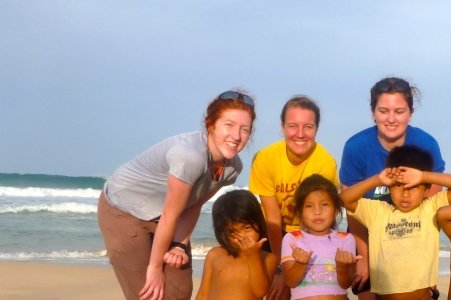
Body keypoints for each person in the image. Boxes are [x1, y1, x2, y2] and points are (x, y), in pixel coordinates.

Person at [97, 90, 257, 300]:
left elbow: (194, 205)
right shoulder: (190, 156)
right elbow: (171, 215)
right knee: (148, 293)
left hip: (164, 216)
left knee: (179, 291)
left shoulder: (232, 168)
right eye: (229, 125)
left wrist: (179, 246)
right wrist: (154, 268)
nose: (236, 136)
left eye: (244, 129)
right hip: (124, 209)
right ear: (211, 125)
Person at [339, 77, 446, 297]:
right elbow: (351, 208)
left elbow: (431, 211)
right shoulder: (356, 147)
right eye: (383, 111)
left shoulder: (427, 144)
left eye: (399, 111)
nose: (391, 119)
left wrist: (426, 266)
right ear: (373, 113)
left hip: (410, 237)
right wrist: (365, 258)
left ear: (410, 113)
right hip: (366, 232)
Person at [340, 145, 451, 299]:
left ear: (427, 190)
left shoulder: (431, 208)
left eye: (414, 187)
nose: (405, 194)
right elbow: (344, 199)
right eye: (398, 185)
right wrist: (378, 179)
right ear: (389, 186)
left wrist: (423, 176)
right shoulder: (377, 211)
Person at [248, 95, 339, 300]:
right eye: (292, 126)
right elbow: (272, 218)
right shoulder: (266, 159)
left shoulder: (325, 164)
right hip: (274, 231)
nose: (300, 134)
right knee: (272, 288)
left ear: (316, 129)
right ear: (282, 127)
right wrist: (281, 268)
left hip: (310, 231)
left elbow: (323, 218)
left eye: (308, 126)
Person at [280, 174, 358, 300]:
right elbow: (290, 282)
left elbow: (346, 284)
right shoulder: (292, 239)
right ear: (300, 213)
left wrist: (342, 266)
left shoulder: (346, 239)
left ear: (336, 210)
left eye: (325, 204)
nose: (317, 211)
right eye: (309, 206)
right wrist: (300, 264)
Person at [196, 189, 278, 300]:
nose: (241, 236)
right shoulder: (215, 255)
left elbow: (260, 292)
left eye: (247, 228)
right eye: (232, 232)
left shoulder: (268, 258)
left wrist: (253, 257)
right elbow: (203, 294)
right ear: (222, 232)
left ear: (259, 223)